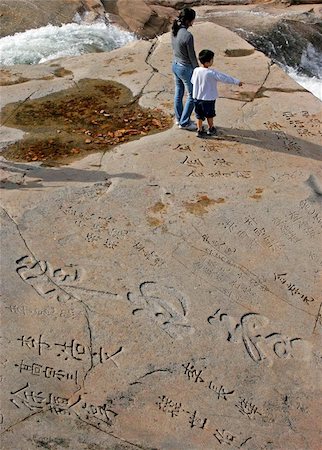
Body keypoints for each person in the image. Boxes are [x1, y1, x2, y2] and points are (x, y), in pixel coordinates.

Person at [191, 49, 243, 138]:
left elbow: (192, 81)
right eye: (212, 60)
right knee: (209, 115)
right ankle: (211, 128)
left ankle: (199, 130)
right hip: (208, 99)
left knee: (199, 116)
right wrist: (237, 82)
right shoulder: (211, 73)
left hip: (197, 98)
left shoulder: (196, 70)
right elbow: (224, 78)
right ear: (208, 62)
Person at [171, 8, 198, 131]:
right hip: (185, 68)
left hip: (175, 65)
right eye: (193, 19)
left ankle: (179, 119)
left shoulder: (174, 31)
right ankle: (185, 122)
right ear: (189, 21)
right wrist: (197, 70)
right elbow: (192, 56)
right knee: (193, 95)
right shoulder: (188, 36)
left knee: (179, 93)